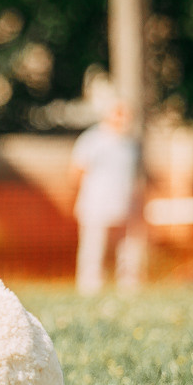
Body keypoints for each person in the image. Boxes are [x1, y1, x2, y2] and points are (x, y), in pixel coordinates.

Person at [69, 76, 145, 295]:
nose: (124, 118)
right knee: (93, 250)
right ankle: (89, 289)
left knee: (128, 252)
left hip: (125, 206)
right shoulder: (92, 139)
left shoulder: (131, 144)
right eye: (120, 112)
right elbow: (76, 171)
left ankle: (129, 288)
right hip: (96, 205)